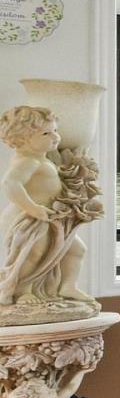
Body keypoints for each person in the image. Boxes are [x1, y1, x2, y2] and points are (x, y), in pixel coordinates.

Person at [0, 106, 92, 308]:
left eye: (55, 130)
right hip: (32, 218)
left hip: (51, 217)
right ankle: (22, 290)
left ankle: (67, 286)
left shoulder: (42, 158)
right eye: (46, 133)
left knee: (76, 249)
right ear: (22, 138)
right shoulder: (26, 161)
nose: (55, 137)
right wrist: (33, 209)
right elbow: (10, 184)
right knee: (33, 254)